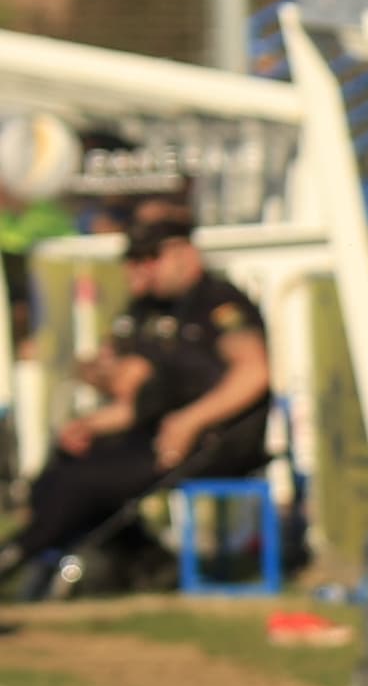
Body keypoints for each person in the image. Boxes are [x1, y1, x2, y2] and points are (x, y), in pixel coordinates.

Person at [2, 216, 271, 602]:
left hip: (215, 442)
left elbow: (255, 371)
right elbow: (135, 397)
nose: (140, 268)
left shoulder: (217, 304)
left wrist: (191, 420)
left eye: (150, 257)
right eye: (134, 260)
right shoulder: (147, 310)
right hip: (155, 435)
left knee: (83, 481)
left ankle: (20, 556)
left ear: (184, 252)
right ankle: (124, 561)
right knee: (67, 460)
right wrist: (92, 417)